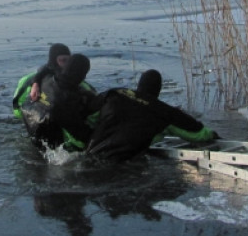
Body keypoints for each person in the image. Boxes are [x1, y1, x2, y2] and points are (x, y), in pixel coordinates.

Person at [85, 69, 218, 164]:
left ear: (139, 84)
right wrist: (212, 135)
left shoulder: (114, 94)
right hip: (121, 164)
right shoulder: (163, 111)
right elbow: (197, 133)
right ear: (158, 89)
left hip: (90, 155)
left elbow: (88, 116)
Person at [19, 53, 99, 152]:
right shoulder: (66, 101)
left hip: (33, 123)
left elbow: (46, 67)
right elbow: (81, 134)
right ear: (82, 75)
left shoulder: (47, 77)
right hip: (48, 147)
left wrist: (35, 83)